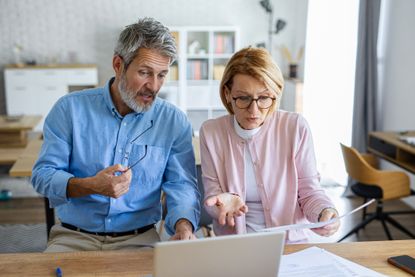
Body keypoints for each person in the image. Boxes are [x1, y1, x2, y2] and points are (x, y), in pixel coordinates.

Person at [31, 17, 200, 252]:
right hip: (73, 238)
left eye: (161, 75)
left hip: (140, 240)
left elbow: (181, 185)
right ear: (118, 64)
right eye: (144, 72)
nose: (154, 86)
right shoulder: (68, 109)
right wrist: (90, 185)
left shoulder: (174, 121)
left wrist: (184, 227)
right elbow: (42, 176)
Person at [199, 47, 339, 242]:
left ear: (275, 94)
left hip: (291, 245)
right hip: (236, 247)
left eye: (264, 98)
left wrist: (325, 211)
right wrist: (219, 205)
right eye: (243, 98)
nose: (254, 110)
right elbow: (212, 196)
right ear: (228, 93)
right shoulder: (211, 132)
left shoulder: (295, 127)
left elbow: (309, 191)